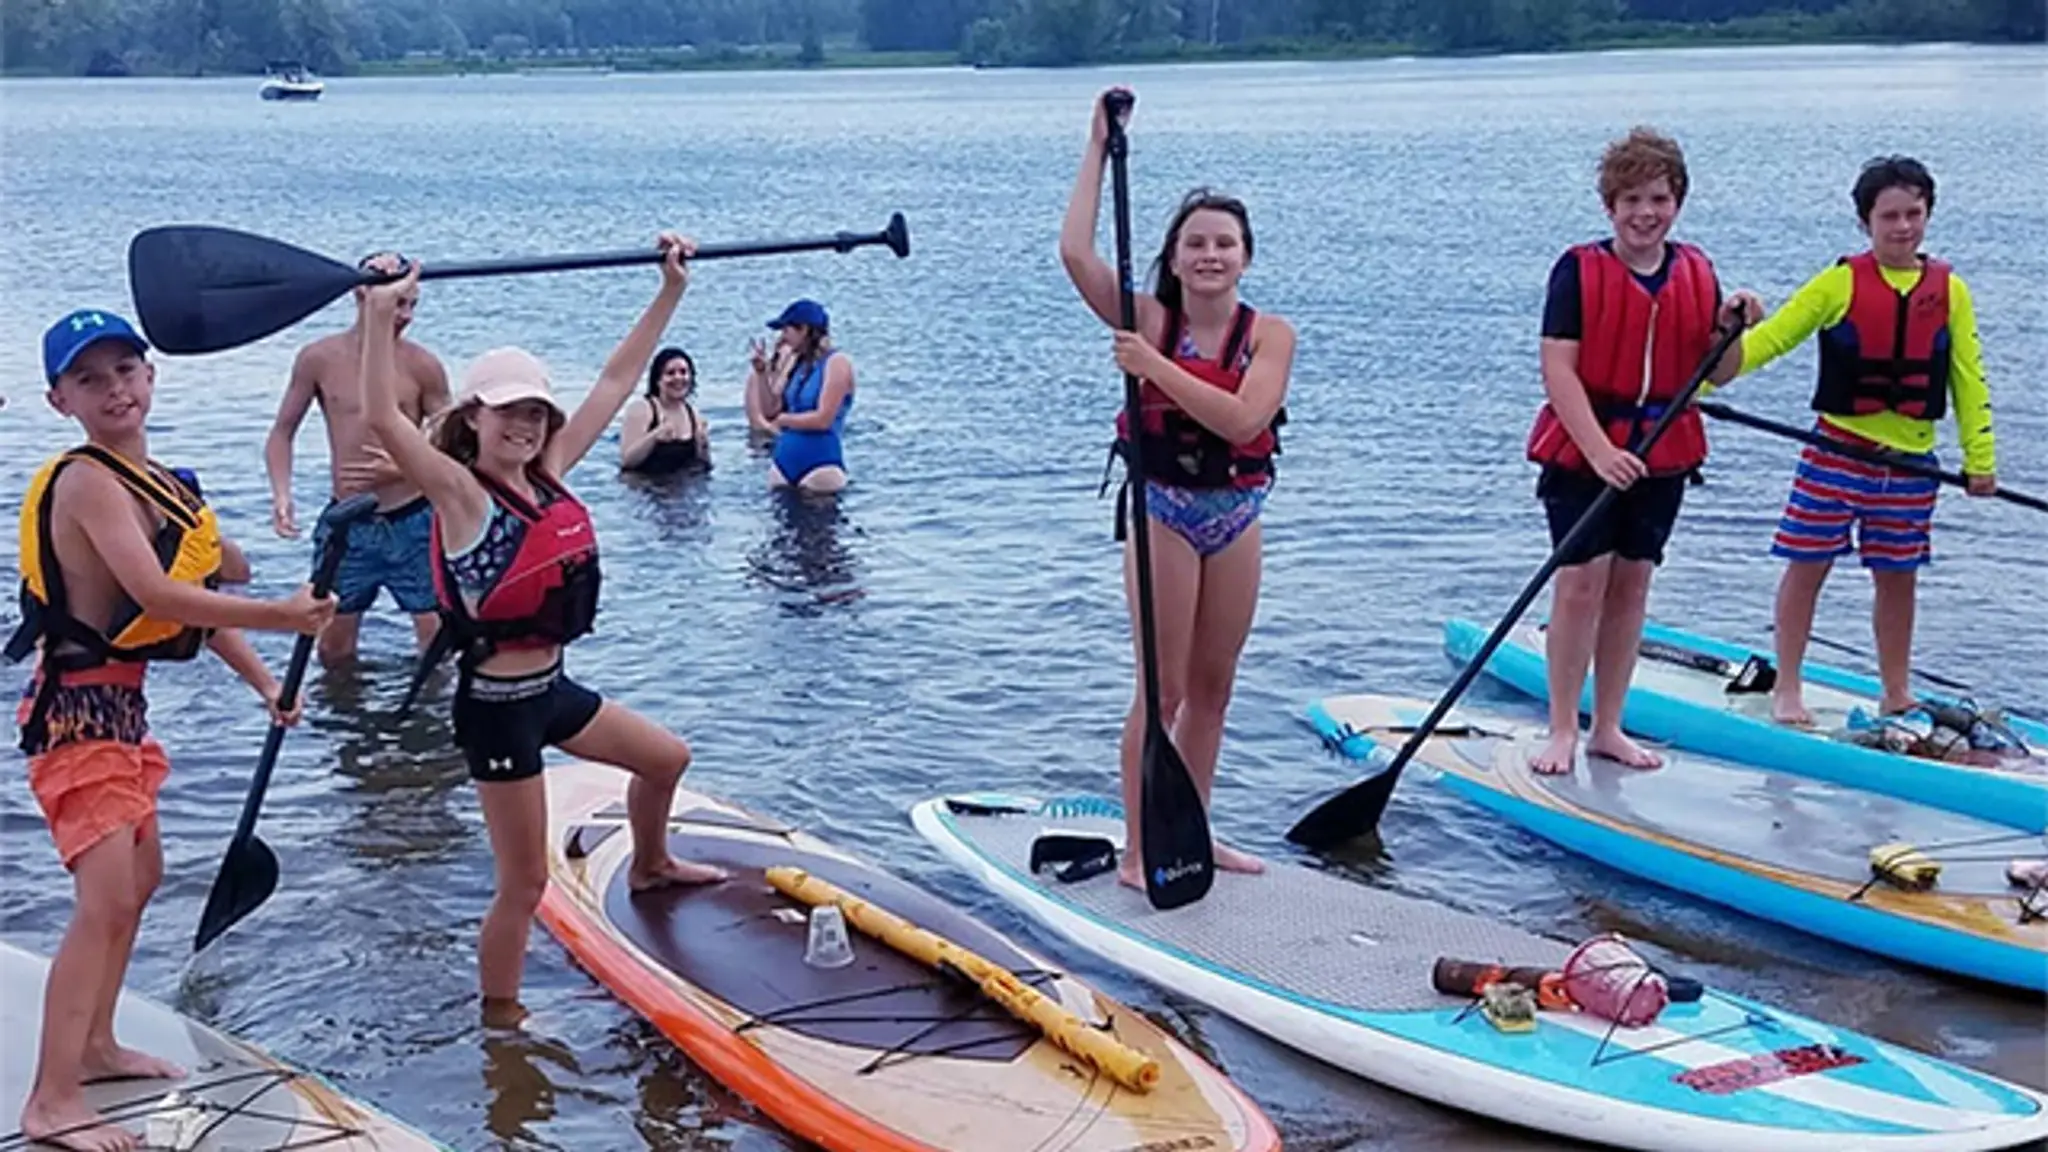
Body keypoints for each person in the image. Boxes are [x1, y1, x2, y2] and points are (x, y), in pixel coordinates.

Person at [354, 235, 728, 1020]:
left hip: (551, 690)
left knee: (667, 759)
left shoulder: (549, 473)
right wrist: (380, 323)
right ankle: (503, 1021)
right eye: (507, 412)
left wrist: (671, 290)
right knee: (522, 885)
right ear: (475, 419)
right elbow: (384, 418)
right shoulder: (461, 493)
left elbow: (619, 377)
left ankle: (653, 865)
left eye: (534, 411)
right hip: (496, 713)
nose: (523, 426)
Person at [8, 308, 336, 1152]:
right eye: (90, 379)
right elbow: (158, 595)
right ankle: (50, 1100)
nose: (114, 388)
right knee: (104, 900)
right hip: (76, 715)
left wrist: (264, 681)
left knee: (141, 879)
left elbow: (182, 614)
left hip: (122, 712)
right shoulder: (86, 481)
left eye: (126, 369)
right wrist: (281, 617)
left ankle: (95, 1044)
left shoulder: (168, 487)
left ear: (150, 378)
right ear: (59, 400)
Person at [1058, 88, 1295, 889]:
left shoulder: (1269, 334)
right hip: (1162, 510)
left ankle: (1193, 829)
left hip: (1236, 512)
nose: (1210, 256)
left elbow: (1242, 418)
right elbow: (1075, 254)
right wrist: (1097, 146)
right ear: (1176, 255)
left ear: (1245, 256)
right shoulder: (1146, 316)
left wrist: (1152, 368)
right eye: (1196, 243)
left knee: (1213, 688)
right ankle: (1137, 846)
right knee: (1161, 691)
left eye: (1225, 244)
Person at [1718, 155, 1996, 725]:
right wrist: (1699, 384)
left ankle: (1896, 690)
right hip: (1837, 453)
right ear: (1866, 222)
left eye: (1913, 214)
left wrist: (1981, 460)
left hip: (1912, 465)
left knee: (1898, 579)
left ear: (1928, 215)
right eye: (1889, 216)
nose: (1903, 227)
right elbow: (1772, 340)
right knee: (1806, 566)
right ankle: (1788, 688)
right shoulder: (1839, 282)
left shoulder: (1951, 291)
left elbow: (1968, 377)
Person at [1525, 126, 1761, 776]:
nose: (1644, 213)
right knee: (1579, 586)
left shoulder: (1698, 270)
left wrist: (1731, 328)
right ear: (1610, 207)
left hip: (1663, 454)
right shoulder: (1577, 270)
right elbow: (1558, 370)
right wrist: (1599, 451)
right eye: (1630, 200)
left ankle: (1608, 727)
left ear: (1676, 202)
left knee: (1632, 586)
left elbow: (1722, 371)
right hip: (1585, 453)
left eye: (1656, 198)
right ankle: (1561, 728)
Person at [264, 251, 453, 667]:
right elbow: (282, 433)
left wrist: (405, 466)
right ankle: (341, 724)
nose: (404, 315)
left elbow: (453, 445)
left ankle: (426, 723)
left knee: (436, 646)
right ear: (360, 294)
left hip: (414, 519)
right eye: (397, 301)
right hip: (349, 522)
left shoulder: (423, 366)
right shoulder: (319, 358)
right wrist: (281, 495)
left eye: (412, 304)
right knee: (333, 647)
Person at [756, 299, 855, 494]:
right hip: (785, 462)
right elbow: (770, 411)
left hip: (820, 462)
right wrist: (761, 373)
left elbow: (823, 419)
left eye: (786, 330)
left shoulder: (836, 363)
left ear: (804, 330)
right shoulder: (797, 365)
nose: (783, 337)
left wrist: (785, 420)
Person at [619, 346, 710, 475]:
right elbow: (626, 462)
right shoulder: (642, 409)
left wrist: (703, 444)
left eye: (683, 372)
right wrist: (654, 436)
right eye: (670, 373)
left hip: (682, 487)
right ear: (658, 380)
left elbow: (704, 465)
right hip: (646, 487)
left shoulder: (693, 415)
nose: (678, 378)